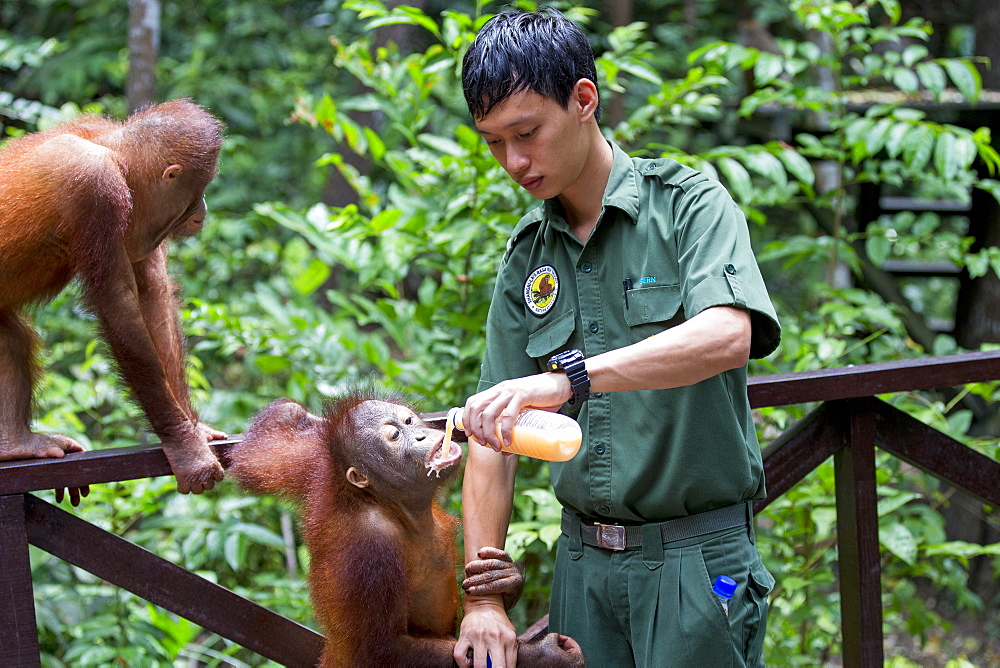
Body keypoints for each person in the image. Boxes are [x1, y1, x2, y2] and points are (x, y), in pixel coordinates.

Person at [453, 7, 781, 668]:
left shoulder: (689, 204)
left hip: (697, 563)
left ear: (583, 100)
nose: (512, 162)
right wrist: (483, 600)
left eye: (526, 133)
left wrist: (569, 377)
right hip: (581, 572)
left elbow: (727, 336)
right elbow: (492, 433)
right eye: (492, 142)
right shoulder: (528, 256)